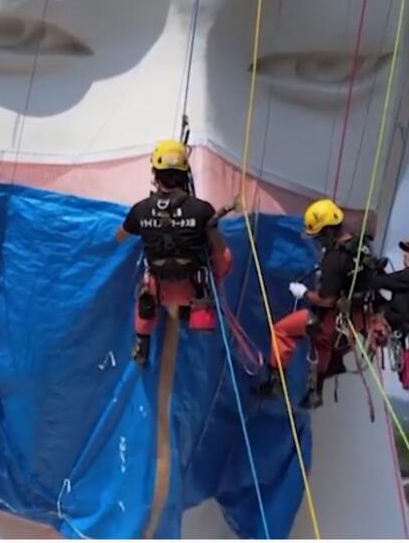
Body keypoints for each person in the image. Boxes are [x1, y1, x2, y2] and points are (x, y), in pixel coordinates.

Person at [115, 139, 233, 368]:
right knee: (225, 257)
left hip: (158, 289)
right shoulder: (201, 209)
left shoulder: (141, 209)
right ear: (184, 173)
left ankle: (142, 340)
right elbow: (219, 250)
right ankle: (199, 310)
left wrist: (147, 224)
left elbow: (119, 237)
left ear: (155, 173)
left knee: (146, 287)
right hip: (191, 288)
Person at [258, 198, 375, 408]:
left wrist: (303, 293)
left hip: (333, 316)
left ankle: (274, 381)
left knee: (281, 331)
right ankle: (315, 393)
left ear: (328, 232)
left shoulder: (334, 258)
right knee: (323, 345)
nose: (318, 241)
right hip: (356, 319)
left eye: (319, 236)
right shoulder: (361, 247)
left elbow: (326, 300)